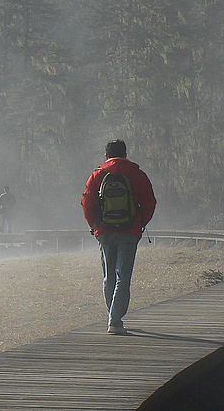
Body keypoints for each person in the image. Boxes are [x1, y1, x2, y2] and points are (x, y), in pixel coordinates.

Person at [81, 139, 156, 335]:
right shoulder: (137, 174)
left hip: (105, 232)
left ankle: (112, 317)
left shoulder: (98, 174)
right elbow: (150, 202)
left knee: (109, 276)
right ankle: (115, 320)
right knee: (123, 276)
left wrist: (95, 225)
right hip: (129, 231)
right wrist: (140, 223)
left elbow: (87, 203)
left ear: (106, 156)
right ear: (125, 154)